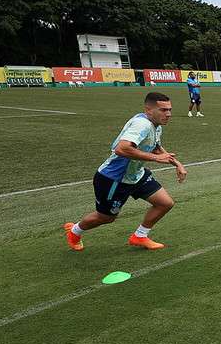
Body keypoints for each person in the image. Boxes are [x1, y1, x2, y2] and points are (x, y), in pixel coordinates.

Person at [63, 92, 187, 251]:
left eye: (169, 109)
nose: (168, 114)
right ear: (148, 110)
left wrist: (177, 164)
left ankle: (140, 236)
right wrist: (156, 159)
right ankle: (74, 231)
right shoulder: (141, 125)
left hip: (136, 175)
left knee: (165, 203)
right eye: (163, 110)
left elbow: (155, 147)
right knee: (106, 217)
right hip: (114, 178)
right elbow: (122, 149)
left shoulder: (156, 126)